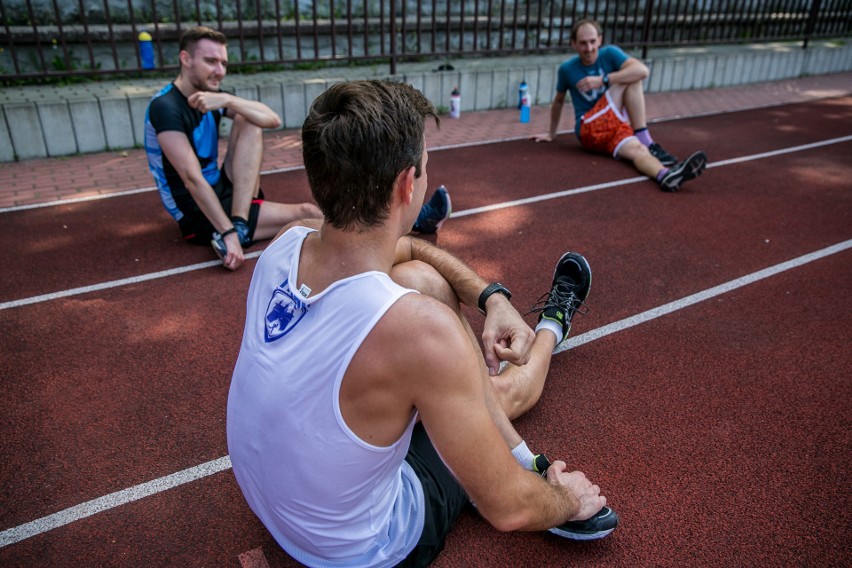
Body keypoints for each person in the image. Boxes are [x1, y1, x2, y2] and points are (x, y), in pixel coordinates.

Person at [227, 80, 618, 568]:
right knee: (499, 397)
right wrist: (568, 497)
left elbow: (409, 249)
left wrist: (490, 297)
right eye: (427, 168)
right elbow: (511, 509)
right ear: (407, 184)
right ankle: (552, 330)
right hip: (367, 546)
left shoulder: (288, 243)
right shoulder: (418, 333)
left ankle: (521, 372)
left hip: (283, 508)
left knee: (419, 279)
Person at [144, 27, 450, 272]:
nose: (220, 70)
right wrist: (227, 235)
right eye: (211, 61)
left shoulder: (211, 97)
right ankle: (411, 223)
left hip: (223, 192)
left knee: (250, 121)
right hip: (197, 212)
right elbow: (190, 178)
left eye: (224, 62)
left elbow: (271, 120)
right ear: (185, 59)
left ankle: (241, 222)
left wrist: (228, 101)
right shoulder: (165, 107)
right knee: (309, 214)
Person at [534, 19, 708, 192]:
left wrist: (602, 80)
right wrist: (551, 133)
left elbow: (643, 70)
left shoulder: (609, 53)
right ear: (573, 44)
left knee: (638, 150)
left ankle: (665, 175)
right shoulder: (567, 69)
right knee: (630, 79)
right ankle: (647, 140)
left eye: (593, 42)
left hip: (614, 125)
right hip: (588, 127)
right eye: (583, 43)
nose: (589, 48)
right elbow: (558, 100)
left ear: (600, 40)